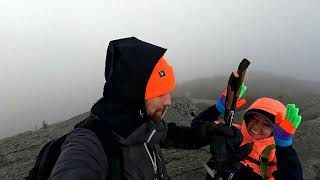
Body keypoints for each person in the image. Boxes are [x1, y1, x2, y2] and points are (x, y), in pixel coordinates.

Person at [48, 37, 252, 180]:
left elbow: (173, 135)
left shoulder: (143, 123)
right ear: (133, 94)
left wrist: (210, 134)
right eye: (160, 93)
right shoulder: (89, 144)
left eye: (169, 92)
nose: (169, 101)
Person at [192, 84, 303, 180]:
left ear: (275, 129)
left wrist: (284, 146)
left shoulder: (274, 152)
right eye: (254, 119)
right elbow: (196, 128)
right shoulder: (231, 132)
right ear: (247, 118)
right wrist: (218, 108)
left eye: (266, 124)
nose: (256, 126)